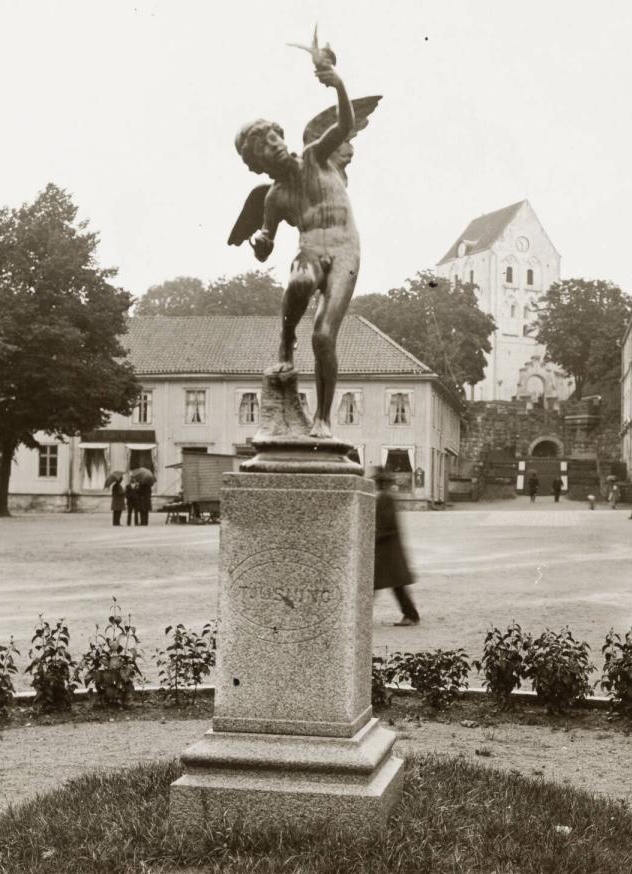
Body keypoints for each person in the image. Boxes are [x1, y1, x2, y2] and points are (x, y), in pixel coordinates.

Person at [231, 43, 376, 439]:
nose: (273, 145)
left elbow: (344, 125)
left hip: (346, 247)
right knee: (298, 281)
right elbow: (267, 245)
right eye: (262, 147)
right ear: (257, 163)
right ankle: (284, 337)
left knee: (325, 335)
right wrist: (261, 243)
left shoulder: (316, 154)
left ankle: (323, 419)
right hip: (310, 248)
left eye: (274, 137)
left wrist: (339, 85)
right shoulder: (275, 198)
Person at [373, 467, 419, 626]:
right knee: (395, 585)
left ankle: (411, 616)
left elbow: (387, 525)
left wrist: (373, 536)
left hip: (386, 550)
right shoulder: (386, 497)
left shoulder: (385, 498)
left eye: (377, 481)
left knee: (373, 584)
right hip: (388, 550)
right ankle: (411, 615)